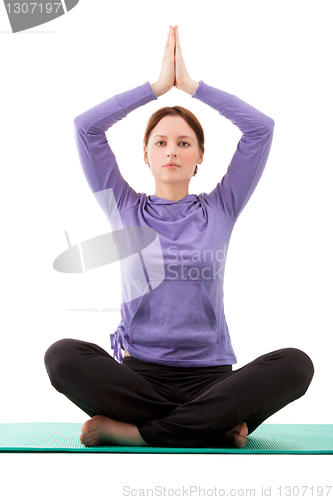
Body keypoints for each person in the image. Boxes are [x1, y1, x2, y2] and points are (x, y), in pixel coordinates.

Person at [44, 26, 314, 449]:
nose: (172, 150)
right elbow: (86, 129)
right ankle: (210, 429)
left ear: (200, 157)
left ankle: (136, 432)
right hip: (139, 380)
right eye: (162, 142)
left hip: (212, 380)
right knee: (61, 356)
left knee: (297, 366)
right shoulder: (124, 207)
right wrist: (155, 89)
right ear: (146, 154)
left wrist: (190, 87)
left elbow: (260, 130)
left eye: (184, 143)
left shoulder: (221, 207)